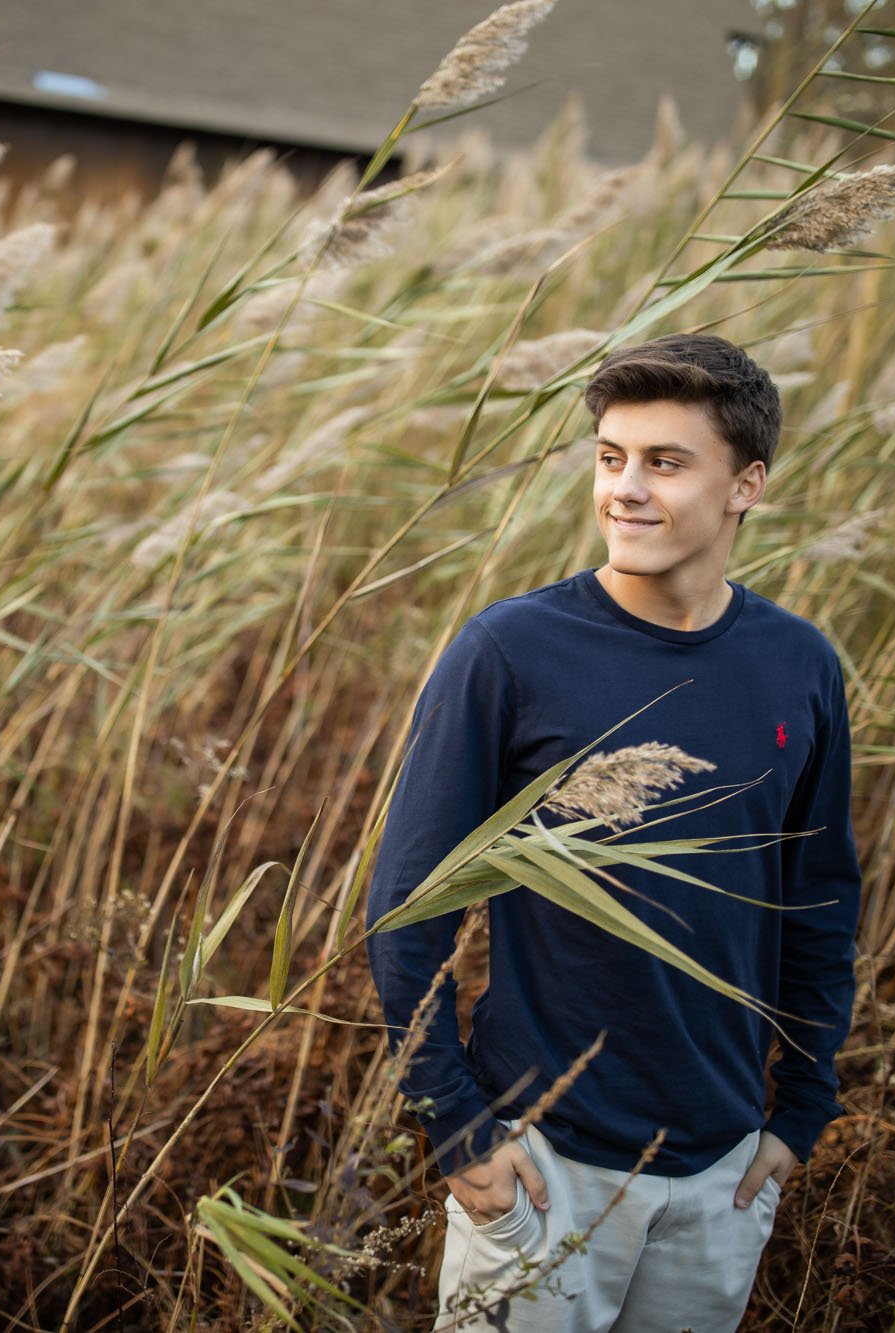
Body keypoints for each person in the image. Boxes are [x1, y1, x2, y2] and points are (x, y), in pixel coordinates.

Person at [364, 332, 862, 1332]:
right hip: (545, 1166)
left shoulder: (796, 663)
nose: (623, 489)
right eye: (608, 457)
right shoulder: (509, 650)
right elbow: (406, 908)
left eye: (663, 462)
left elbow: (818, 898)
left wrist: (800, 1107)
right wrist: (455, 1126)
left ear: (744, 485)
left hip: (721, 1172)